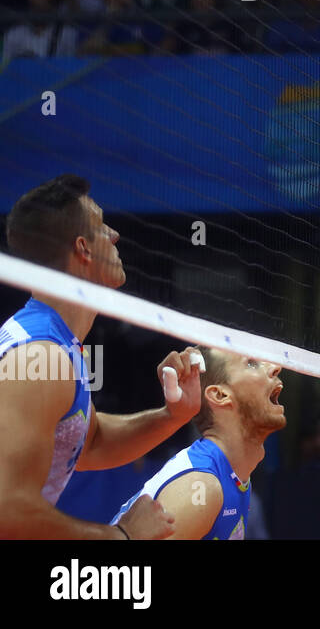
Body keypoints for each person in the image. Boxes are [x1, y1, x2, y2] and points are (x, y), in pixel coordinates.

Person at [0, 174, 204, 538]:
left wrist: (172, 416)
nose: (115, 235)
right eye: (101, 225)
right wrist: (122, 536)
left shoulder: (57, 346)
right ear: (84, 248)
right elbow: (8, 510)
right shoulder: (39, 359)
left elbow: (88, 442)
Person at [111, 348, 285, 539]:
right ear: (220, 395)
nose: (275, 367)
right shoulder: (202, 486)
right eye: (251, 363)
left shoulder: (233, 475)